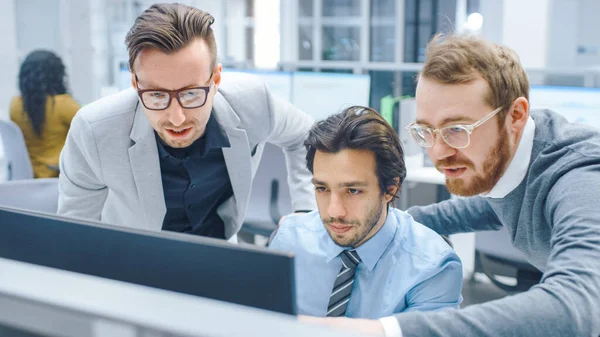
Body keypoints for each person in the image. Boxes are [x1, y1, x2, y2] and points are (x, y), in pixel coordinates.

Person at [301, 33, 600, 337]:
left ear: (516, 116)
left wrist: (382, 331)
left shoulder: (581, 176)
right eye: (426, 130)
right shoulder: (513, 155)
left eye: (457, 129)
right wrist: (369, 222)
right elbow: (483, 208)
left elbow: (576, 306)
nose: (438, 152)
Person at [58, 3, 315, 240]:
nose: (176, 118)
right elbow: (76, 236)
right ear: (135, 84)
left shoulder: (254, 102)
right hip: (136, 266)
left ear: (215, 80)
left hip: (220, 257)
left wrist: (305, 214)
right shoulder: (94, 131)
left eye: (191, 94)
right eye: (157, 95)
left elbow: (306, 135)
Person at [270, 106, 462, 318]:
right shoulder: (290, 240)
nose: (334, 211)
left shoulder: (433, 268)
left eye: (353, 190)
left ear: (390, 189)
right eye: (322, 189)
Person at [10, 50, 80, 178]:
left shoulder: (15, 105)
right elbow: (91, 127)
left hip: (27, 179)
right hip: (59, 177)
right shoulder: (63, 105)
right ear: (57, 75)